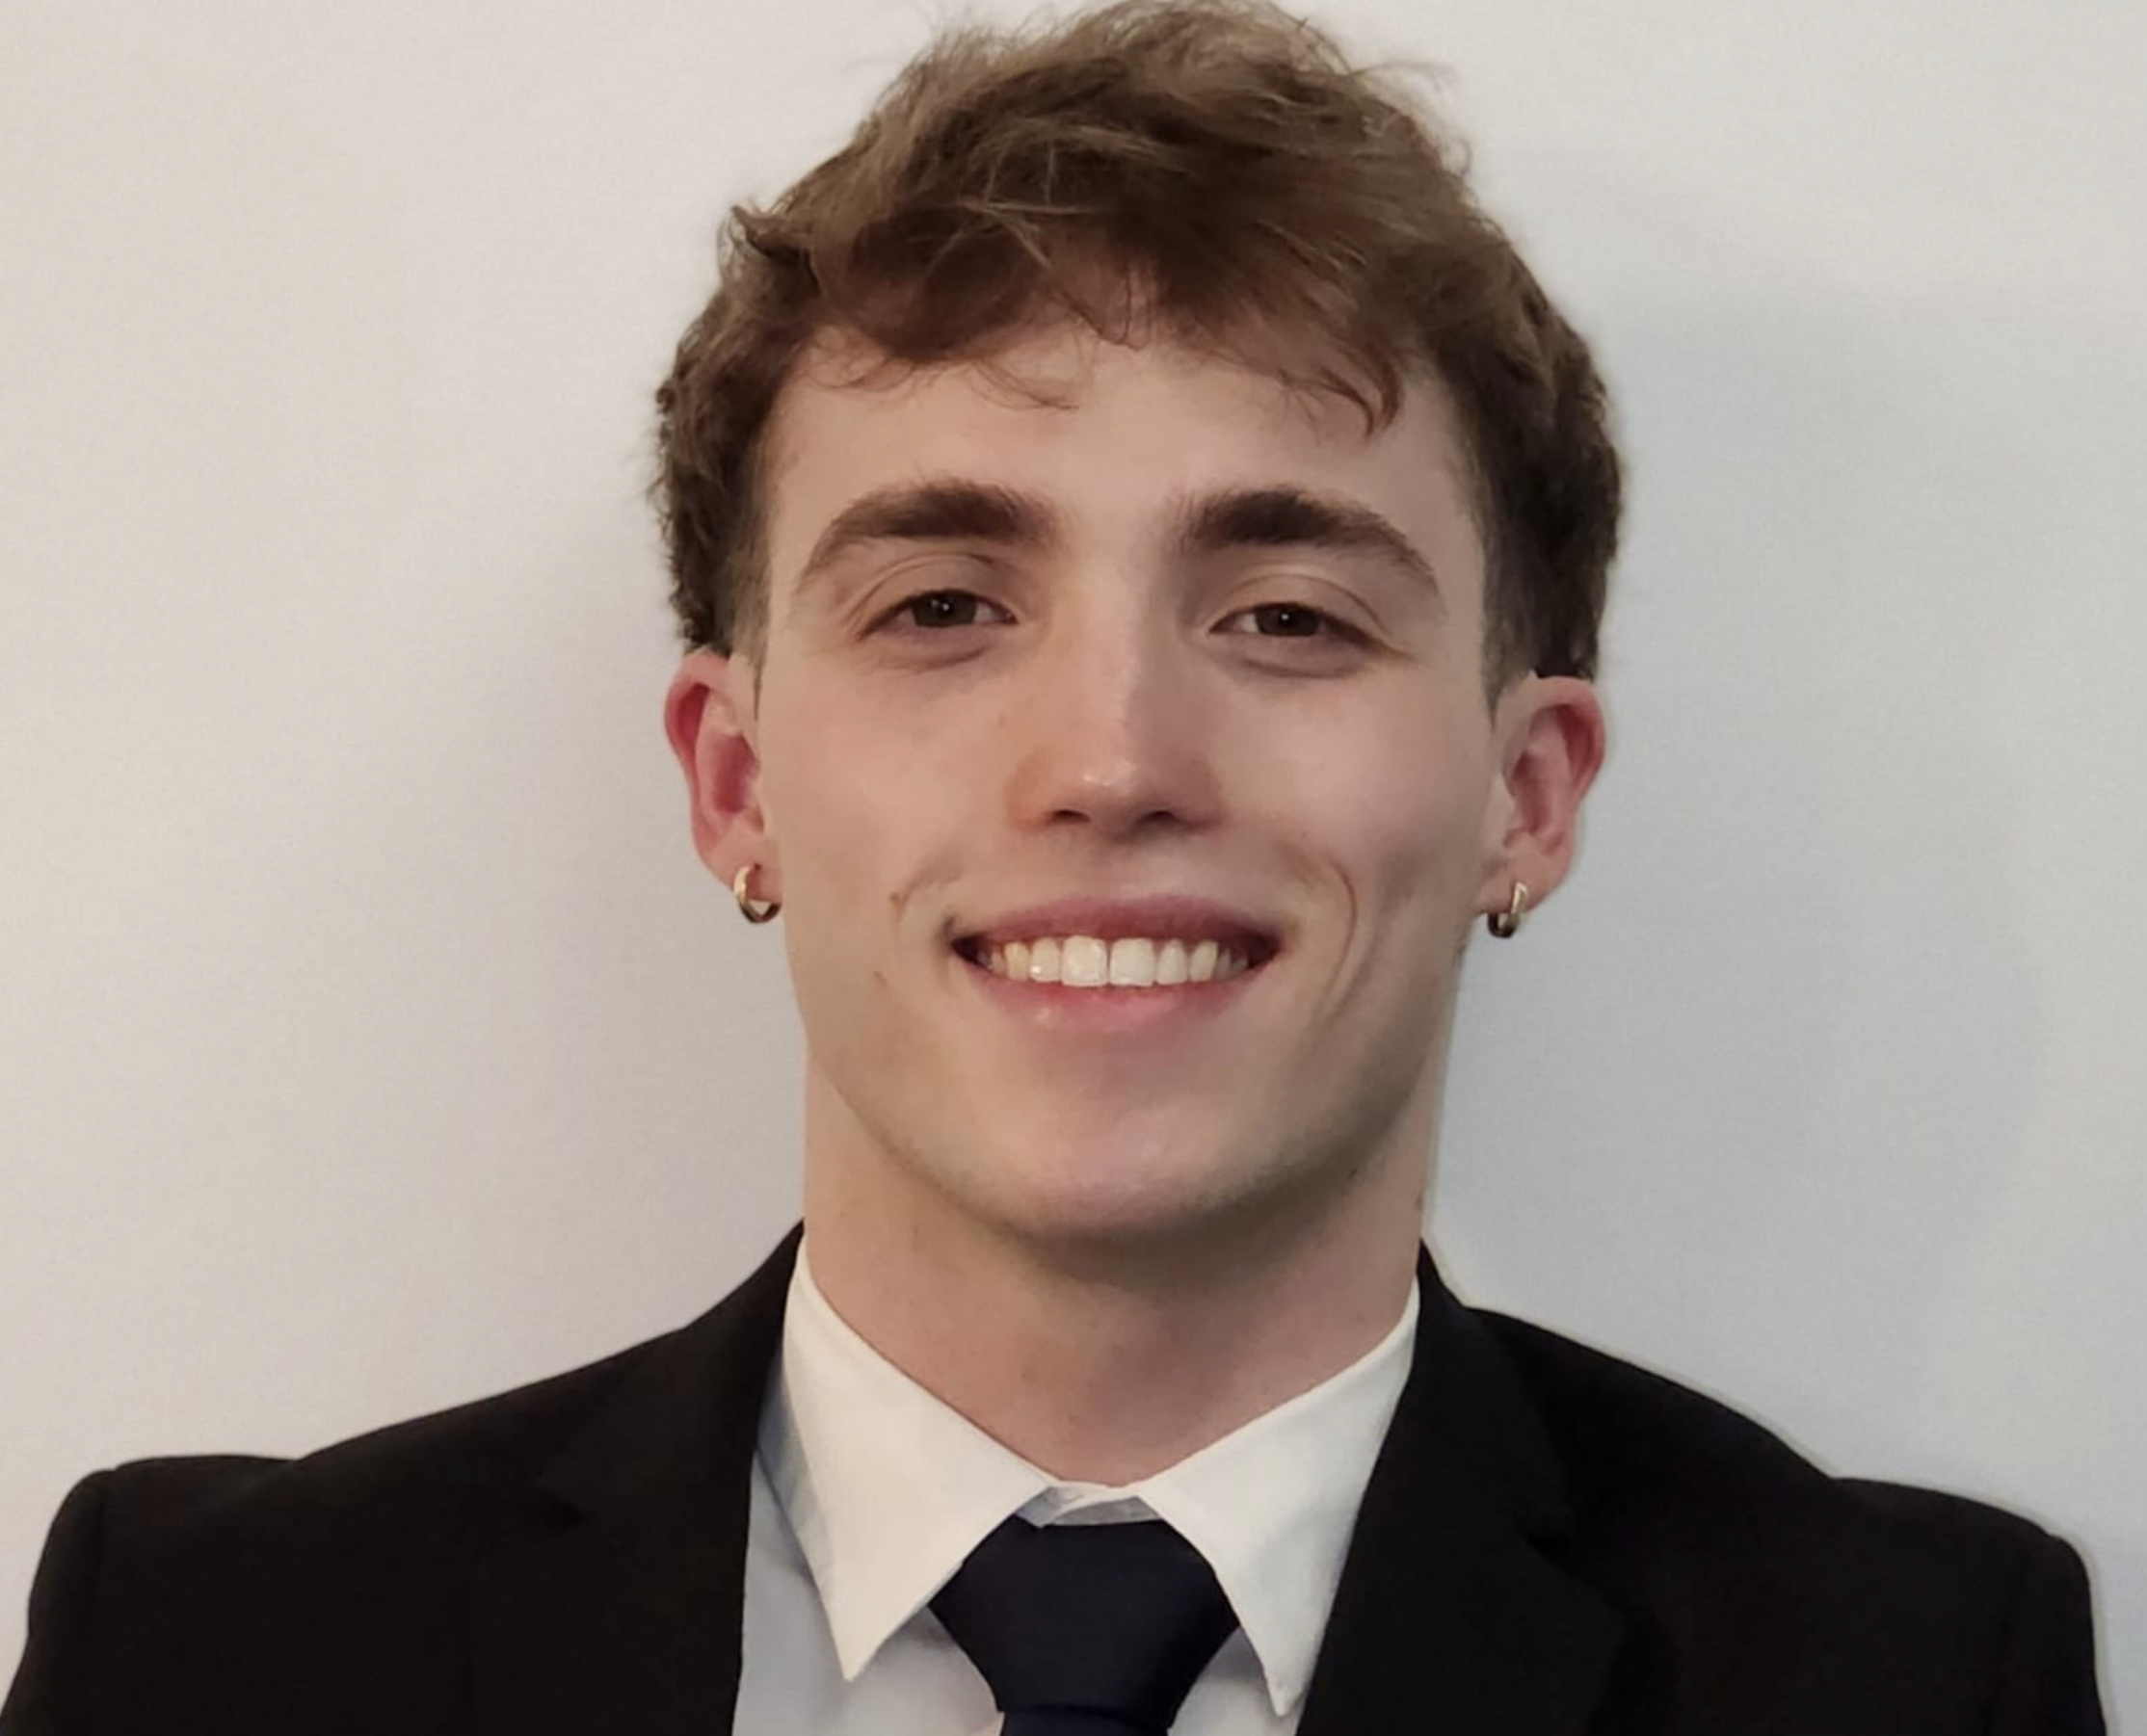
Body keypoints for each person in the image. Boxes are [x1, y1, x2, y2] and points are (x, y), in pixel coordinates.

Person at [1, 1, 2107, 1730]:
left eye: (1287, 613)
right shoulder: (206, 1652)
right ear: (732, 780)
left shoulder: (1914, 1672)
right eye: (940, 607)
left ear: (1524, 791)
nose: (1109, 760)